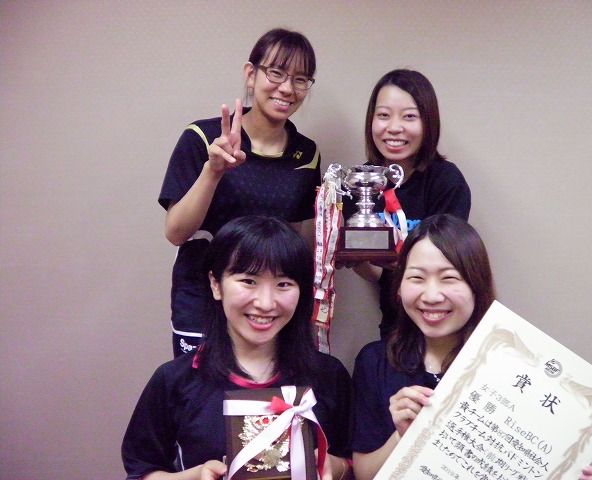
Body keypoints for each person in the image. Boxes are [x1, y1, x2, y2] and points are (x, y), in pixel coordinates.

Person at [351, 214, 592, 480]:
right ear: (399, 286)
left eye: (449, 278)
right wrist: (403, 435)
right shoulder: (375, 361)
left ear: (476, 285)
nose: (432, 296)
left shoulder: (521, 369)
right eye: (417, 277)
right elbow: (364, 474)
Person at [122, 216, 352, 480]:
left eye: (283, 284)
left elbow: (353, 461)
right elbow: (141, 472)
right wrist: (196, 476)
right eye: (248, 281)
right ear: (216, 284)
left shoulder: (329, 374)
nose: (265, 303)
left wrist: (334, 466)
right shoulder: (175, 380)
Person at [159, 28, 321, 357]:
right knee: (202, 388)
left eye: (300, 79)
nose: (287, 88)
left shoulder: (307, 153)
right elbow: (176, 232)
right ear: (251, 74)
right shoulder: (202, 138)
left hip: (268, 306)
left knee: (266, 389)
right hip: (203, 300)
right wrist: (214, 170)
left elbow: (295, 240)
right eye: (276, 73)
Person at [342, 69, 471, 340]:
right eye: (383, 115)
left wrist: (399, 259)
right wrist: (355, 257)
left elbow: (446, 265)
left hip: (442, 323)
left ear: (428, 123)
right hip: (393, 325)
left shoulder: (446, 181)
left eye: (409, 116)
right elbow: (376, 275)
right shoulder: (360, 182)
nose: (394, 127)